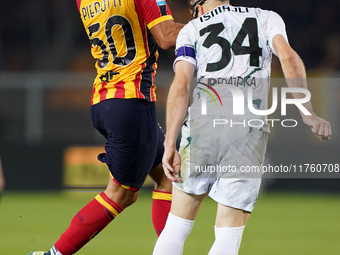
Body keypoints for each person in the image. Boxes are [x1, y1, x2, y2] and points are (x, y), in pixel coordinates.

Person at [153, 0, 332, 255]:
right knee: (228, 233)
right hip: (248, 130)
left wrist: (170, 142)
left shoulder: (191, 29)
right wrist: (308, 113)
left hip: (203, 126)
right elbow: (289, 57)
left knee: (177, 226)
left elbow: (181, 85)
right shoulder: (266, 17)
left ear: (200, 5)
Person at [28, 0, 184, 255]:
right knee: (120, 195)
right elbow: (166, 37)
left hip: (103, 101)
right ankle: (53, 254)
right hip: (131, 103)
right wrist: (210, 25)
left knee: (167, 175)